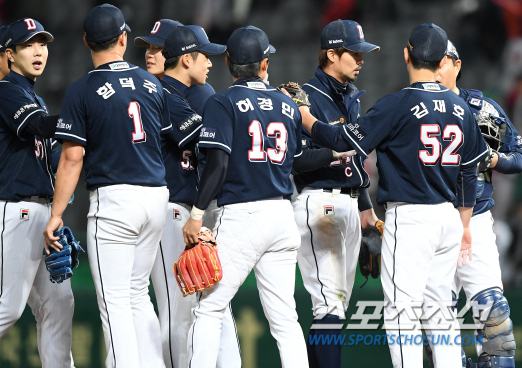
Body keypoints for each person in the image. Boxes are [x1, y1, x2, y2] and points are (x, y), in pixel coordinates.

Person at [299, 23, 489, 368]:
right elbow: (468, 172)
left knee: (402, 309)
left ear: (407, 54)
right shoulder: (461, 108)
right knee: (440, 308)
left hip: (412, 216)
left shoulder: (398, 104)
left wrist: (308, 119)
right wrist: (463, 225)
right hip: (449, 217)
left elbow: (342, 142)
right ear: (442, 59)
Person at [43, 4, 172, 368]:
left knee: (115, 304)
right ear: (123, 38)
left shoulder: (82, 89)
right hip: (155, 197)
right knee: (136, 296)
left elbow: (72, 157)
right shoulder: (151, 83)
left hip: (116, 202)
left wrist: (56, 214)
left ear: (86, 41)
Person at [181, 25, 308, 368]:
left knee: (209, 307)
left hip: (243, 216)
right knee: (285, 319)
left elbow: (218, 163)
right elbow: (298, 160)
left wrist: (196, 214)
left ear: (227, 63)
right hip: (283, 216)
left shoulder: (223, 101)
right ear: (264, 64)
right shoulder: (287, 105)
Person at [135, 20, 241, 368]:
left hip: (185, 208)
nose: (153, 54)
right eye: (149, 49)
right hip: (167, 208)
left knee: (201, 306)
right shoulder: (160, 94)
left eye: (157, 48)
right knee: (178, 310)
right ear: (185, 58)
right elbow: (201, 142)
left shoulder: (189, 94)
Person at [0, 18, 75, 367]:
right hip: (13, 211)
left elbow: (52, 157)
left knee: (59, 303)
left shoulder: (31, 94)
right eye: (28, 45)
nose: (38, 51)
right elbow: (35, 126)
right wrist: (80, 119)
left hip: (38, 214)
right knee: (6, 308)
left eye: (43, 44)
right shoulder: (6, 90)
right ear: (9, 54)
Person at [291, 19, 381, 368]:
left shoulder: (350, 99)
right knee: (328, 304)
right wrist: (335, 149)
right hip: (318, 202)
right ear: (331, 54)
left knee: (334, 307)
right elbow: (297, 160)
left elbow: (356, 163)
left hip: (346, 203)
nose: (361, 59)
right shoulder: (304, 98)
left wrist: (366, 208)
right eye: (353, 53)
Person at [436, 40, 520, 368]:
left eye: (442, 62)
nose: (436, 69)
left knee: (496, 328)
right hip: (430, 221)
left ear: (457, 64)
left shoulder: (481, 108)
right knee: (435, 336)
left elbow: (520, 152)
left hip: (478, 220)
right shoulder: (407, 108)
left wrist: (495, 157)